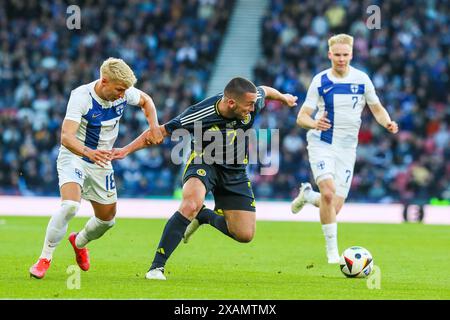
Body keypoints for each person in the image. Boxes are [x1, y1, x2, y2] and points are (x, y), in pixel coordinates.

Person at [112, 77, 298, 280]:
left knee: (244, 235)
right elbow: (159, 132)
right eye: (249, 105)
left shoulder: (252, 99)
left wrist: (283, 98)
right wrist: (125, 150)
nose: (253, 108)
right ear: (231, 103)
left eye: (254, 103)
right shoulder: (199, 114)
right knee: (191, 204)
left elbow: (265, 90)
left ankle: (204, 216)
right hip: (204, 162)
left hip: (235, 170)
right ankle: (156, 267)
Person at [29, 58, 163, 279]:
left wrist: (154, 126)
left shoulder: (124, 92)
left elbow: (146, 101)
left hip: (101, 162)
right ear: (104, 81)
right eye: (119, 89)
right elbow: (66, 137)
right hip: (75, 156)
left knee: (107, 220)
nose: (122, 95)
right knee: (71, 205)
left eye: (125, 91)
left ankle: (79, 241)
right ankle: (44, 258)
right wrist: (88, 152)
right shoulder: (81, 97)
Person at [291, 34, 398, 263]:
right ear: (330, 55)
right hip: (322, 142)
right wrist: (314, 123)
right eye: (337, 55)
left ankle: (309, 196)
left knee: (333, 205)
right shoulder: (320, 81)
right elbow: (302, 117)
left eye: (345, 55)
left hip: (347, 149)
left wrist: (387, 122)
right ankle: (332, 254)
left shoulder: (362, 79)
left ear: (352, 54)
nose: (341, 59)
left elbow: (376, 108)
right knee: (328, 193)